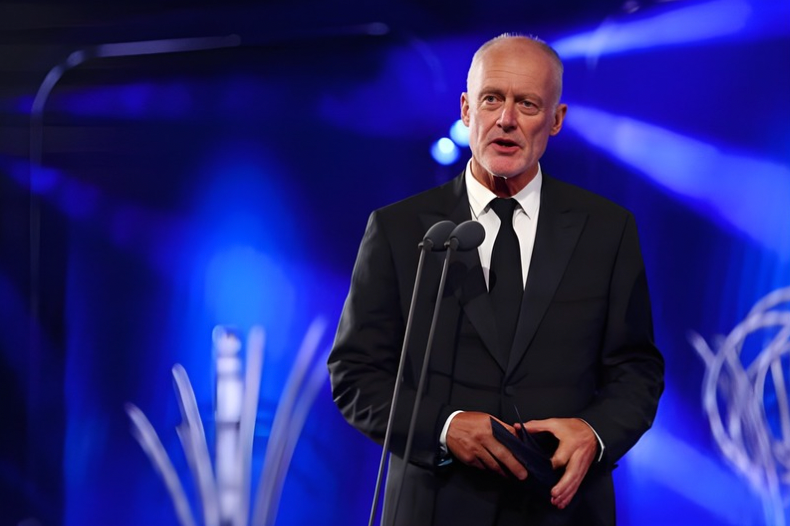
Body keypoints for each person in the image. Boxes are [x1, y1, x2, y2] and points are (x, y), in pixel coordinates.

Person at [327, 33, 664, 526]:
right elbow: (354, 374)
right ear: (467, 109)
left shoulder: (607, 230)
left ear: (556, 120)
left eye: (527, 104)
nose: (506, 119)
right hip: (436, 507)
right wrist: (443, 428)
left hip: (560, 510)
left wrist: (595, 432)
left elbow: (637, 369)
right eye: (492, 99)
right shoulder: (400, 229)